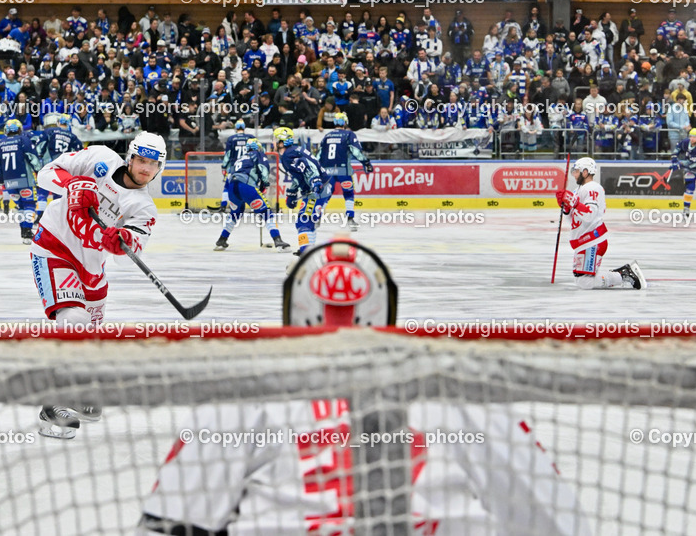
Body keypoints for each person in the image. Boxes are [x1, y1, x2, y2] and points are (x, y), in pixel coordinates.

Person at [141, 238, 588, 536]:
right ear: (385, 309)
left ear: (293, 307)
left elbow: (169, 523)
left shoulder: (242, 394)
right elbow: (556, 521)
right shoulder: (465, 394)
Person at [30, 132, 164, 326]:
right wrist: (72, 184)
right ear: (130, 159)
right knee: (73, 321)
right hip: (53, 247)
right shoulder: (101, 157)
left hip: (92, 267)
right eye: (141, 160)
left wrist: (122, 242)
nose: (145, 168)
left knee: (92, 333)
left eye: (152, 163)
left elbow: (126, 259)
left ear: (160, 167)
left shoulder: (144, 208)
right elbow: (45, 174)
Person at [555, 157, 645, 290]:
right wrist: (567, 209)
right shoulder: (578, 190)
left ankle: (623, 275)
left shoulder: (593, 188)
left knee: (585, 282)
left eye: (577, 171)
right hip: (584, 241)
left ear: (585, 172)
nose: (574, 174)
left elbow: (590, 215)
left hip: (592, 239)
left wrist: (572, 202)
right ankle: (623, 273)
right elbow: (575, 220)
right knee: (581, 279)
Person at [214, 138, 290, 252]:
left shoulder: (240, 158)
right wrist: (264, 184)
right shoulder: (258, 154)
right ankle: (278, 241)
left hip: (232, 187)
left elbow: (230, 174)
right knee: (266, 212)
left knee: (234, 214)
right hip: (246, 186)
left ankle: (222, 240)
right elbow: (263, 169)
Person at [275, 126, 330, 255]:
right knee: (310, 221)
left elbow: (306, 167)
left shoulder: (288, 155)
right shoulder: (295, 150)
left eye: (277, 139)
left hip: (317, 191)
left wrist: (315, 181)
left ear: (283, 142)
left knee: (303, 221)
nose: (275, 142)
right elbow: (298, 174)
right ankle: (308, 249)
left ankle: (306, 253)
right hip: (322, 188)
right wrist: (292, 192)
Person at [317, 112, 375, 230]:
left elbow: (318, 155)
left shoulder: (327, 136)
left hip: (327, 171)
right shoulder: (349, 134)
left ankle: (316, 219)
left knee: (325, 195)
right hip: (343, 170)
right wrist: (366, 163)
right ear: (345, 122)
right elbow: (356, 152)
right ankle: (350, 219)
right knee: (348, 194)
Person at [0, 119, 44, 243]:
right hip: (25, 179)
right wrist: (39, 171)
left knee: (20, 206)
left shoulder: (0, 143)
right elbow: (32, 157)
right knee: (29, 204)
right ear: (19, 129)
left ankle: (23, 231)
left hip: (8, 181)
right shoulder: (23, 140)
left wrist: (0, 180)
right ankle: (27, 231)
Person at [35, 114, 84, 216]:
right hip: (63, 168)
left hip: (49, 166)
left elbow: (39, 147)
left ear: (58, 123)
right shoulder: (73, 137)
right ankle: (56, 216)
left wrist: (39, 157)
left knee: (42, 192)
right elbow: (80, 154)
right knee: (58, 193)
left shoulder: (50, 131)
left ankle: (40, 215)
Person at [219, 120, 249, 209]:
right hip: (248, 166)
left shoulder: (231, 138)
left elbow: (228, 154)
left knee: (228, 186)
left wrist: (224, 166)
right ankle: (255, 207)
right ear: (244, 128)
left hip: (234, 167)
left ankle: (223, 205)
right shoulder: (250, 138)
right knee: (251, 186)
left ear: (236, 128)